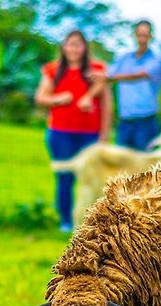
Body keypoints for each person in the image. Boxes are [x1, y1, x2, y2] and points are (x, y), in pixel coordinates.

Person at [35, 30, 112, 232]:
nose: (74, 48)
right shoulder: (53, 70)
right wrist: (57, 99)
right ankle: (65, 221)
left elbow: (107, 103)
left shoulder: (97, 70)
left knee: (91, 178)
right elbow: (41, 98)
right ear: (63, 47)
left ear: (85, 47)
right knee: (65, 177)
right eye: (70, 44)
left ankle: (92, 220)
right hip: (60, 133)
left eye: (78, 44)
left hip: (90, 134)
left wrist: (104, 134)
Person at [92, 20, 161, 151]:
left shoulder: (156, 60)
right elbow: (107, 75)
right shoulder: (123, 58)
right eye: (140, 35)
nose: (142, 39)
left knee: (145, 166)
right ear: (135, 35)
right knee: (122, 165)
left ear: (151, 37)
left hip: (146, 121)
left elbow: (139, 75)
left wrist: (109, 77)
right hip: (125, 121)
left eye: (145, 35)